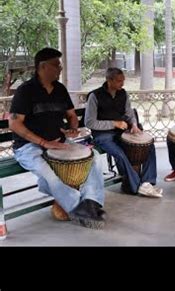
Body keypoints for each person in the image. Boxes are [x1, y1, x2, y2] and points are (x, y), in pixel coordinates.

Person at [9, 48, 106, 229]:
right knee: (51, 177)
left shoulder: (60, 89)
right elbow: (14, 124)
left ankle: (92, 202)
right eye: (56, 64)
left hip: (59, 142)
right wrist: (44, 143)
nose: (60, 68)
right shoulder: (26, 91)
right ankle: (78, 207)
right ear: (43, 66)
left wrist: (73, 128)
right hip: (28, 147)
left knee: (94, 158)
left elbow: (71, 115)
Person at [85, 67, 162, 198]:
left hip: (121, 132)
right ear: (109, 80)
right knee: (120, 154)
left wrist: (134, 124)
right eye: (119, 81)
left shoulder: (123, 93)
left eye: (123, 80)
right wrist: (114, 123)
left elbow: (129, 113)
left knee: (149, 145)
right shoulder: (94, 96)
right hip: (102, 136)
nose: (123, 84)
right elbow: (89, 122)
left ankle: (148, 182)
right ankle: (137, 186)